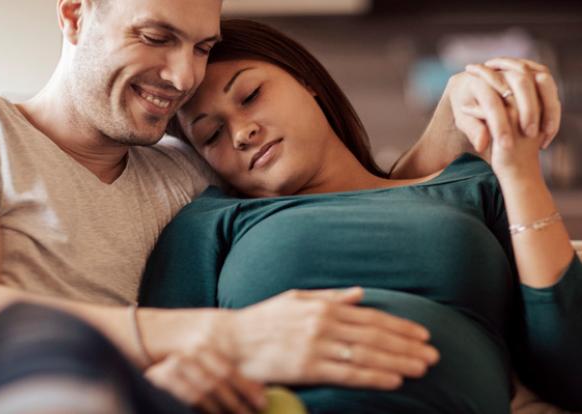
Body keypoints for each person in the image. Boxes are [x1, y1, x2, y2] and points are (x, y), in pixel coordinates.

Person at [0, 0, 562, 412]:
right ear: (73, 13)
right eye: (155, 35)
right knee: (46, 343)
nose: (180, 76)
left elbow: (372, 195)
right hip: (45, 376)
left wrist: (461, 112)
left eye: (201, 46)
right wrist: (231, 337)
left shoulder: (192, 169)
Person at [139, 19, 582, 413]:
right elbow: (166, 370)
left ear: (305, 79)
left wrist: (517, 170)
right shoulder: (211, 222)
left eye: (251, 95)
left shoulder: (470, 189)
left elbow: (570, 372)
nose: (241, 132)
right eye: (212, 134)